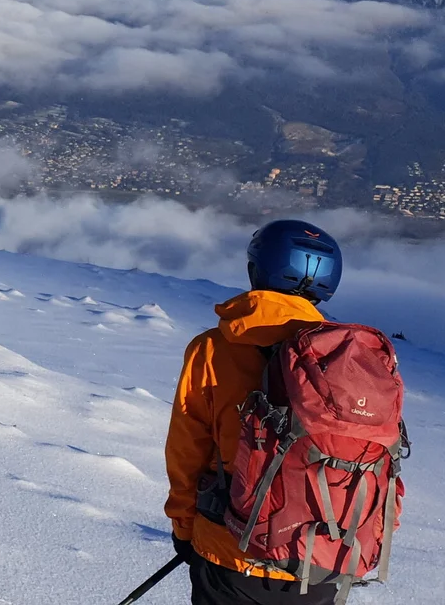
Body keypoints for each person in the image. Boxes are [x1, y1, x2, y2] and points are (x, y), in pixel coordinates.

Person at [165, 220, 344, 605]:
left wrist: (184, 528)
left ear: (256, 269)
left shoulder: (213, 348)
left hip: (231, 550)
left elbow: (187, 450)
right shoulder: (347, 357)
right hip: (321, 555)